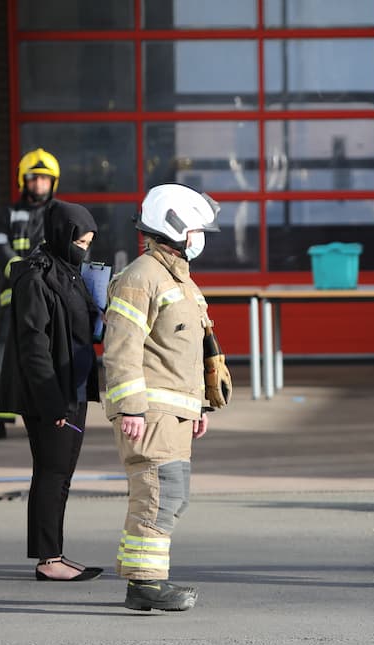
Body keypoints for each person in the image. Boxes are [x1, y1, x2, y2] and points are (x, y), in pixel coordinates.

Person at [102, 183, 231, 612]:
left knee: (168, 494)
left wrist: (200, 405)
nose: (201, 239)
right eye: (198, 230)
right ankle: (145, 584)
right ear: (174, 227)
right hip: (151, 413)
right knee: (158, 493)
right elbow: (122, 348)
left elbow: (188, 351)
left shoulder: (180, 280)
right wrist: (130, 408)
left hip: (173, 412)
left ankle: (142, 579)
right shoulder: (141, 278)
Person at [0, 199, 103, 582]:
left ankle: (54, 553)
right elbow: (33, 344)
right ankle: (48, 559)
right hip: (51, 394)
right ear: (62, 236)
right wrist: (50, 399)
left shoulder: (69, 271)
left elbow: (81, 325)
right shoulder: (35, 277)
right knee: (51, 472)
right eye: (80, 241)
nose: (84, 248)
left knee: (61, 473)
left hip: (71, 388)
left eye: (89, 242)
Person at [0, 148, 61, 441]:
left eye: (45, 179)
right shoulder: (9, 214)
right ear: (23, 181)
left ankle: (50, 415)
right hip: (13, 299)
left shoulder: (57, 213)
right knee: (3, 360)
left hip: (48, 298)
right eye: (34, 178)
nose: (39, 184)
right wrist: (23, 273)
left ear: (54, 182)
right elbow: (0, 246)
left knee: (46, 357)